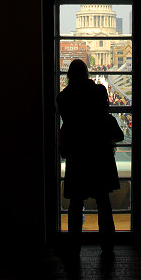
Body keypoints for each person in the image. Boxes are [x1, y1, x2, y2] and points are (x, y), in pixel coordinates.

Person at [57, 59, 124, 256]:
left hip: (77, 154)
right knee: (104, 201)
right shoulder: (99, 91)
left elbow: (68, 123)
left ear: (69, 75)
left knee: (75, 203)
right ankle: (108, 245)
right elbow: (104, 116)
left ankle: (74, 245)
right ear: (87, 73)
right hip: (99, 152)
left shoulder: (63, 97)